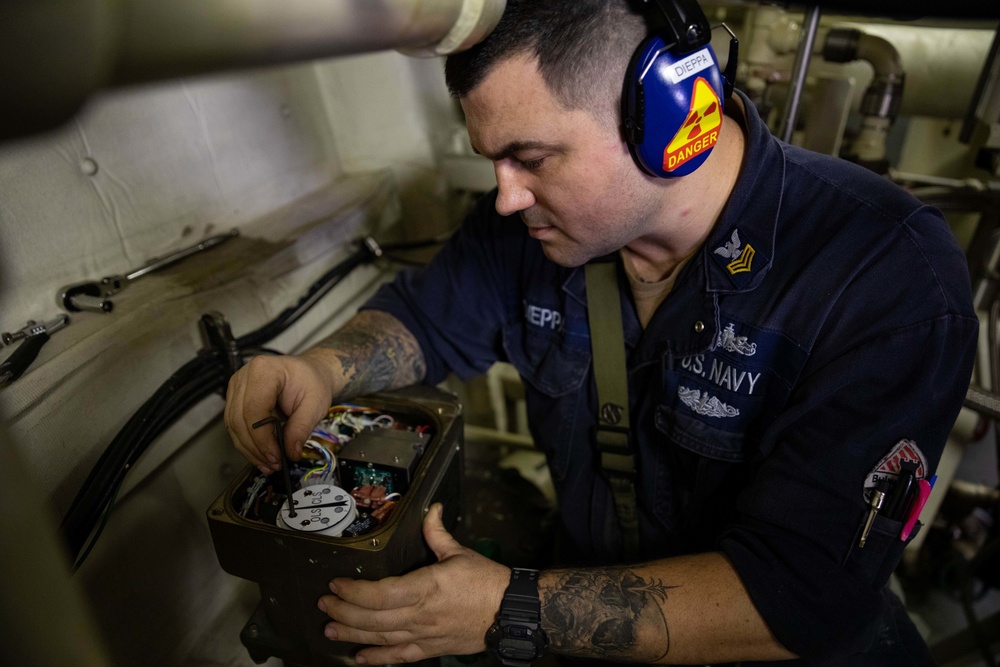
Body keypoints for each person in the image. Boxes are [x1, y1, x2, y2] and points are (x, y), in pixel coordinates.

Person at [224, 0, 979, 664]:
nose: (506, 197)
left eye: (530, 158)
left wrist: (506, 607)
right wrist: (324, 367)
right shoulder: (527, 235)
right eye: (494, 161)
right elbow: (424, 317)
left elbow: (797, 596)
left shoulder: (885, 275)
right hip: (579, 605)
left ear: (670, 116)